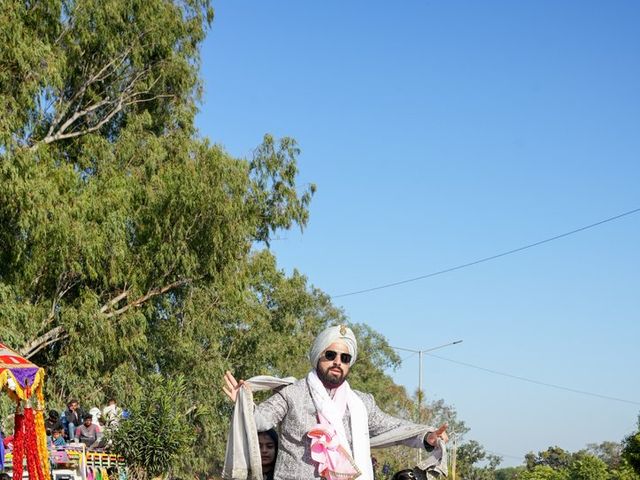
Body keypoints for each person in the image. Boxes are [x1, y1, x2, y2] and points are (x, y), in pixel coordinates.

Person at [223, 324, 449, 480]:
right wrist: (242, 404)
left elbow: (394, 427)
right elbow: (260, 421)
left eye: (345, 358)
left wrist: (426, 437)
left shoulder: (361, 403)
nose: (337, 362)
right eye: (330, 355)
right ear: (317, 357)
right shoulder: (293, 393)